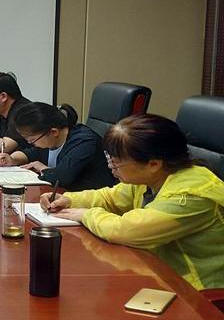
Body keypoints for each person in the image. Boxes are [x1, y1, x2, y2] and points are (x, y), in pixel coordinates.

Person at [41, 114, 224, 290]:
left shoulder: (191, 194)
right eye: (110, 159)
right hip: (158, 272)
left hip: (198, 290)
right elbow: (109, 197)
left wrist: (86, 214)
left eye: (116, 163)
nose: (111, 168)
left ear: (154, 164)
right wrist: (69, 199)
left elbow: (126, 230)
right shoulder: (152, 177)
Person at [0, 102, 116, 191]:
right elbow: (30, 153)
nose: (31, 143)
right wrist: (12, 159)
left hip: (92, 200)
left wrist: (42, 168)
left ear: (53, 132)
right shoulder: (50, 140)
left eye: (32, 140)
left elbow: (62, 177)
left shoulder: (84, 142)